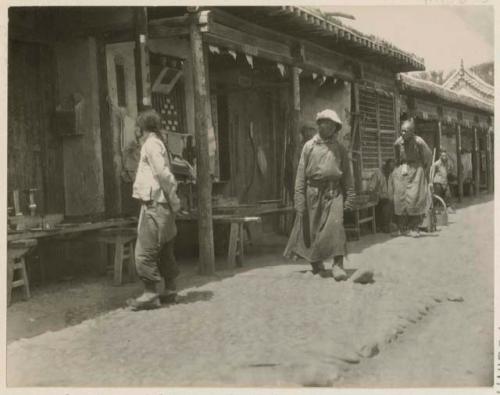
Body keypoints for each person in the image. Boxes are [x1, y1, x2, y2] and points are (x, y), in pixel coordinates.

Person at [284, 109, 355, 280]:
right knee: (312, 229)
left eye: (331, 124)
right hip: (313, 194)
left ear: (335, 127)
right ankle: (316, 264)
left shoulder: (340, 149)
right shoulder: (309, 147)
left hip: (334, 193)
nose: (327, 126)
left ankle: (338, 265)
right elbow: (300, 176)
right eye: (324, 122)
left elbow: (347, 176)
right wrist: (299, 199)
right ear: (319, 124)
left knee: (336, 227)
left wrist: (350, 196)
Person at [128, 109, 181, 311]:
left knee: (144, 251)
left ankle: (150, 294)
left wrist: (173, 196)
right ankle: (170, 290)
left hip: (154, 203)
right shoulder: (157, 143)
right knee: (165, 248)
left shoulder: (150, 144)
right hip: (161, 204)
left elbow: (163, 174)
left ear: (142, 127)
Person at [388, 119, 432, 238]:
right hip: (403, 169)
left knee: (415, 198)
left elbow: (428, 156)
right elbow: (397, 157)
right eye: (401, 131)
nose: (403, 133)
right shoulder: (398, 143)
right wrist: (398, 169)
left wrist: (423, 170)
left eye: (405, 131)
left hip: (417, 170)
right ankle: (402, 227)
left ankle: (414, 227)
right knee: (400, 197)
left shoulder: (419, 142)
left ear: (412, 131)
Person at [367, 159, 396, 233]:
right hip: (377, 199)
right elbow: (371, 188)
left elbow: (392, 188)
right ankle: (383, 226)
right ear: (385, 166)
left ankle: (386, 225)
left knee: (391, 201)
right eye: (389, 169)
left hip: (386, 198)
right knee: (387, 202)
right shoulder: (378, 173)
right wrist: (378, 195)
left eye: (391, 170)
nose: (390, 171)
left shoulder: (390, 174)